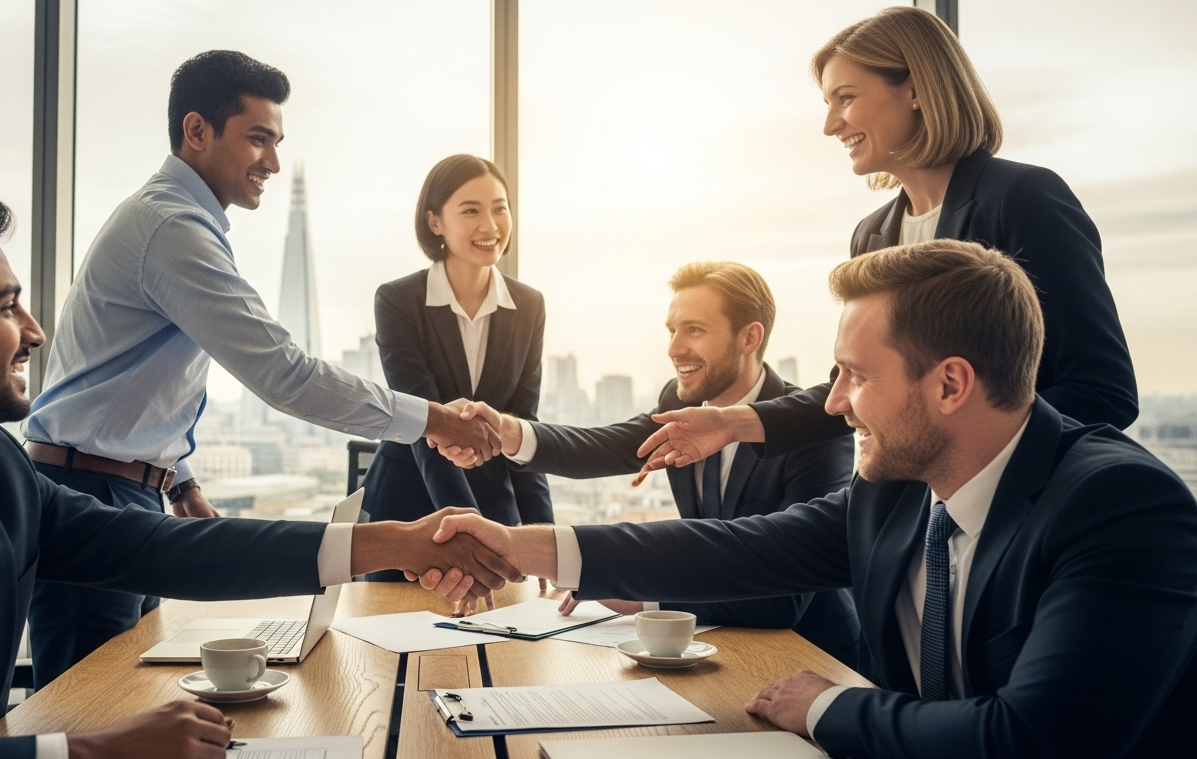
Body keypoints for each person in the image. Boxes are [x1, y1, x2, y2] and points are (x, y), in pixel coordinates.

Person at [0, 183, 518, 758]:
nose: (34, 332)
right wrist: (87, 751)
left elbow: (165, 548)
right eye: (7, 308)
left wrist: (396, 542)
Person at [423, 240, 1197, 757]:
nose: (831, 404)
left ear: (950, 385)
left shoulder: (1120, 508)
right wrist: (522, 547)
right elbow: (749, 548)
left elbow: (1031, 740)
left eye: (854, 375)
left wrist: (826, 708)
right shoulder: (894, 493)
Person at [20, 51, 500, 688]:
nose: (271, 161)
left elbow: (127, 382)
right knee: (92, 706)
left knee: (123, 698)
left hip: (120, 490)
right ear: (197, 131)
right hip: (92, 495)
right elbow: (284, 374)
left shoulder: (176, 220)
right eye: (257, 138)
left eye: (276, 143)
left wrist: (179, 483)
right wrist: (435, 419)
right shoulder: (172, 227)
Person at [637, 6, 1138, 474]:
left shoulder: (1022, 199)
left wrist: (965, 466)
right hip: (912, 508)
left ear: (915, 89)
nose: (830, 125)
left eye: (846, 98)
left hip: (1010, 508)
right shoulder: (872, 235)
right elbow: (860, 390)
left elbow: (1103, 390)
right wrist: (733, 423)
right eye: (829, 104)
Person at [451, 261, 859, 663]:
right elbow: (603, 446)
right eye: (672, 330)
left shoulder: (813, 434)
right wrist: (509, 432)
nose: (674, 348)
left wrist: (641, 595)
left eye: (694, 330)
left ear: (749, 337)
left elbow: (786, 600)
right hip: (715, 645)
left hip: (811, 657)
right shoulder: (677, 402)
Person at [360, 155, 552, 590]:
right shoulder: (398, 301)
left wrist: (544, 534)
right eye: (470, 210)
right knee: (393, 625)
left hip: (495, 509)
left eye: (500, 208)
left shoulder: (529, 305)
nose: (490, 225)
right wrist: (466, 529)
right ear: (435, 222)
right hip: (408, 509)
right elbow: (423, 422)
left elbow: (524, 425)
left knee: (507, 631)